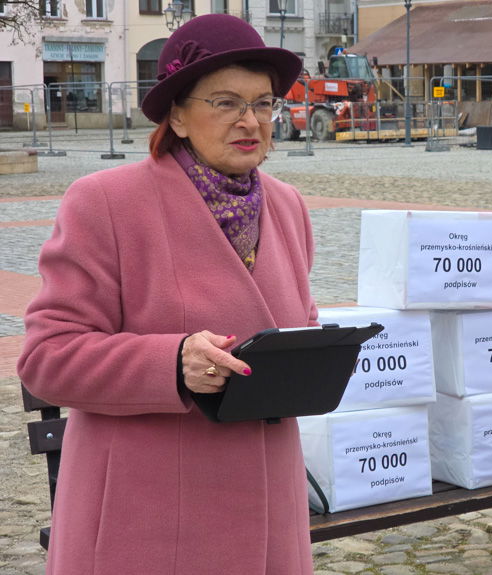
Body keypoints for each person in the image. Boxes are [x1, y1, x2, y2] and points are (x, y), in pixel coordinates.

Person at [17, 14, 317, 574]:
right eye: (225, 102)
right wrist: (171, 362)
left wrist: (317, 358)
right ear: (177, 113)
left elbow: (298, 328)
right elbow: (46, 360)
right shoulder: (105, 202)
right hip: (149, 517)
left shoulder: (288, 205)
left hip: (270, 511)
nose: (250, 120)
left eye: (264, 102)